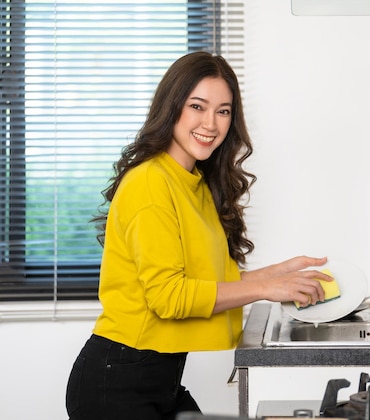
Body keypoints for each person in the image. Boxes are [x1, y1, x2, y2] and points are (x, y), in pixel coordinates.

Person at [65, 51, 332, 420]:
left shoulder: (194, 182)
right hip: (118, 382)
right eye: (197, 106)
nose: (211, 123)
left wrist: (277, 275)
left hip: (159, 379)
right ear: (171, 107)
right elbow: (169, 297)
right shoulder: (150, 182)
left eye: (223, 111)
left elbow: (205, 284)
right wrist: (265, 289)